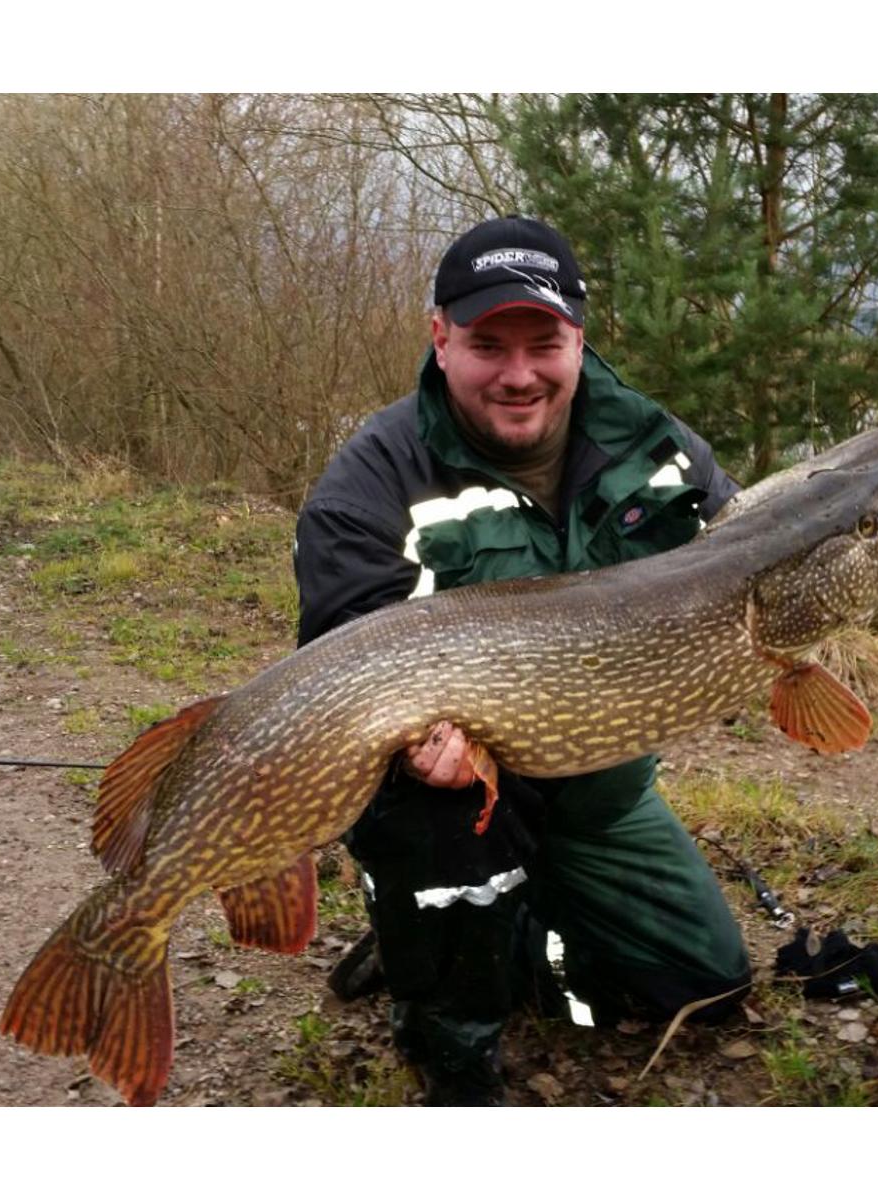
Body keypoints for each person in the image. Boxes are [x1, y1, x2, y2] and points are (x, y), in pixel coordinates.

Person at [293, 215, 751, 1105]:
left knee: (705, 984)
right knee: (441, 827)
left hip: (600, 793)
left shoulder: (662, 454)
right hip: (444, 803)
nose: (518, 373)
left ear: (580, 337)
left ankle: (484, 932)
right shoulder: (369, 486)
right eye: (486, 344)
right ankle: (448, 1026)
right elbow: (341, 682)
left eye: (544, 342)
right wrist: (420, 756)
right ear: (440, 336)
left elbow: (737, 559)